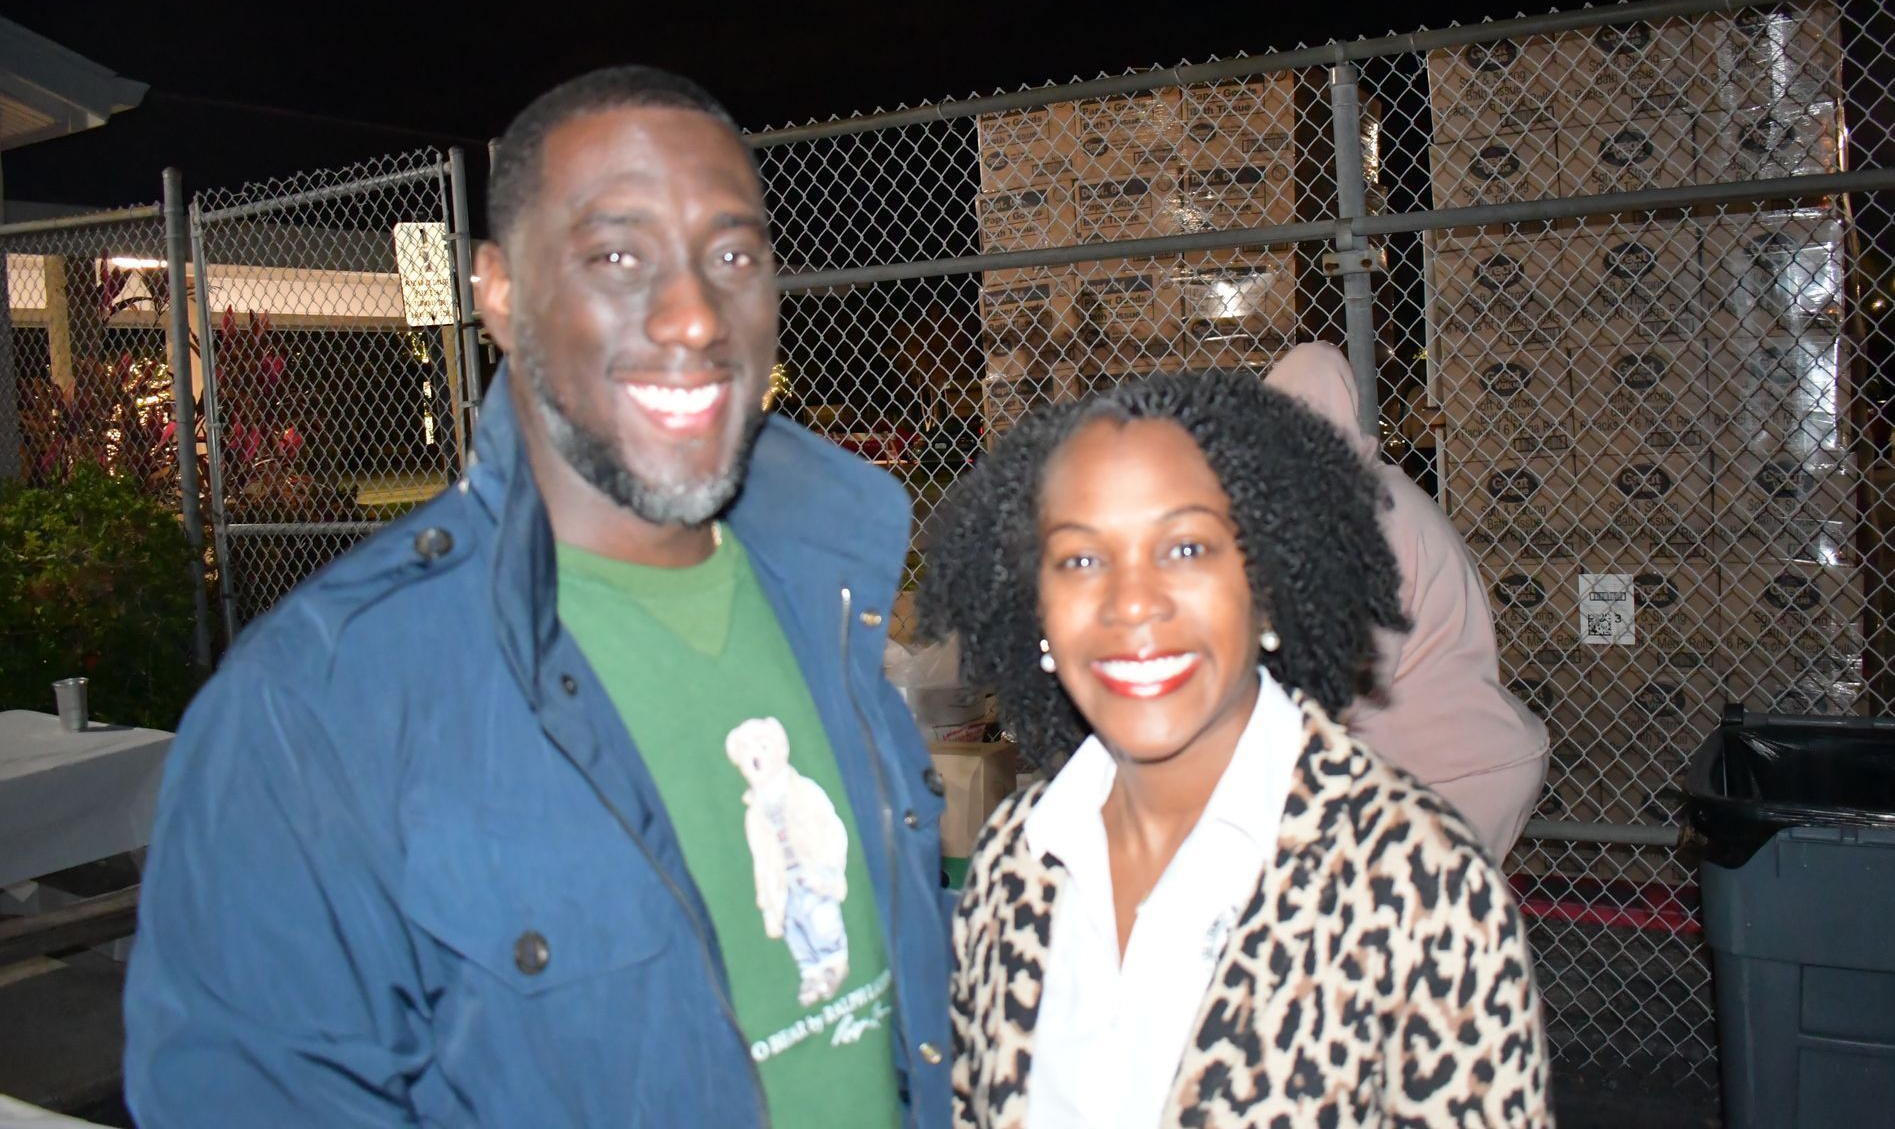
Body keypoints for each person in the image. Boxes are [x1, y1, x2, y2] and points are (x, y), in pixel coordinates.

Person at [123, 67, 952, 1128]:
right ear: (502, 293)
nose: (695, 315)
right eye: (617, 256)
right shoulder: (313, 711)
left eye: (734, 256)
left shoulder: (827, 593)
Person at [922, 370, 1551, 1129]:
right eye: (1082, 558)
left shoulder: (1416, 884)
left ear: (1269, 586)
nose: (1133, 602)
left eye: (1187, 547)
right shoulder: (1015, 861)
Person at [1265, 341, 1548, 860]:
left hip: (1451, 772)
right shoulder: (1368, 496)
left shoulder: (1362, 520)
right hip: (1456, 757)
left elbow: (1349, 676)